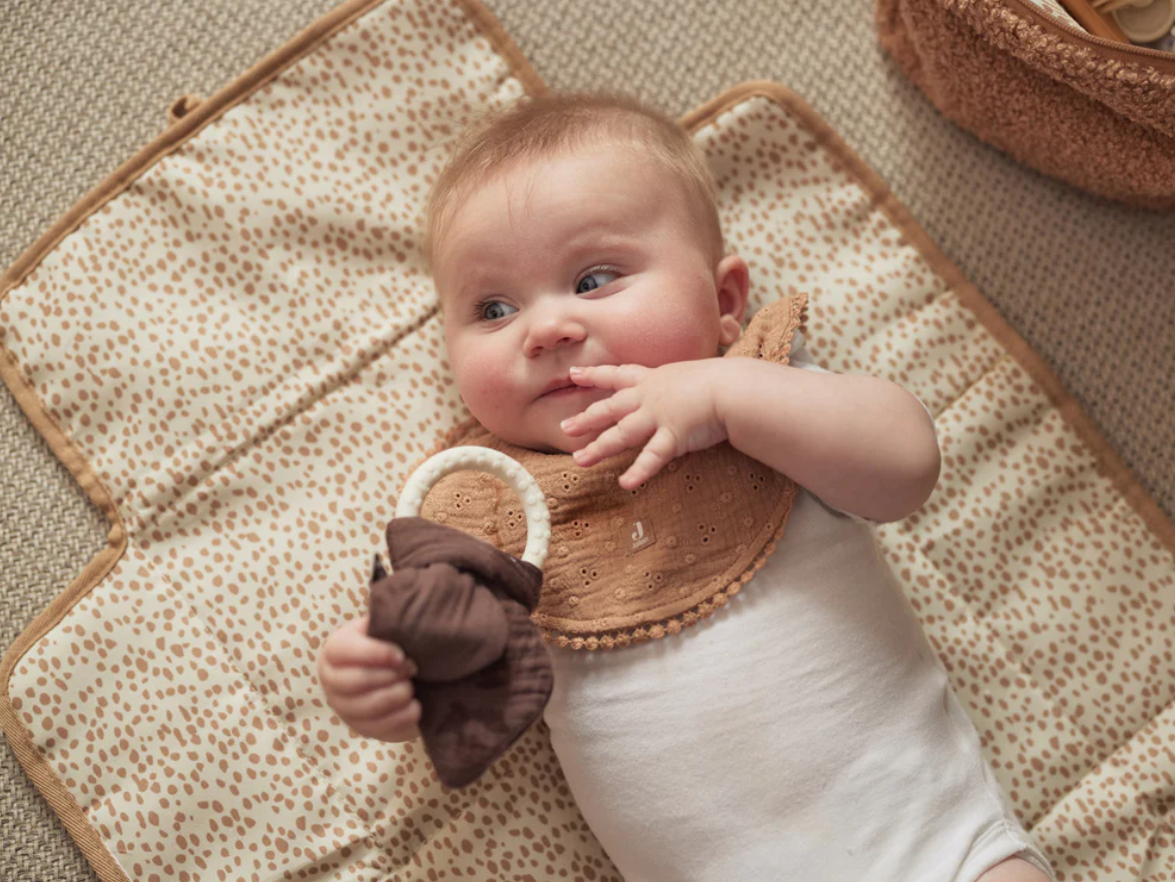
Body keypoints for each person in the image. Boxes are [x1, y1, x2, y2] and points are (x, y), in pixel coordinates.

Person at [317, 91, 1055, 882]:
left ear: (725, 302)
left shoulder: (760, 395)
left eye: (595, 278)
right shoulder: (484, 502)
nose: (547, 329)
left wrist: (722, 400)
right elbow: (457, 683)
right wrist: (379, 680)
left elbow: (906, 466)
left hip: (934, 849)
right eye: (493, 308)